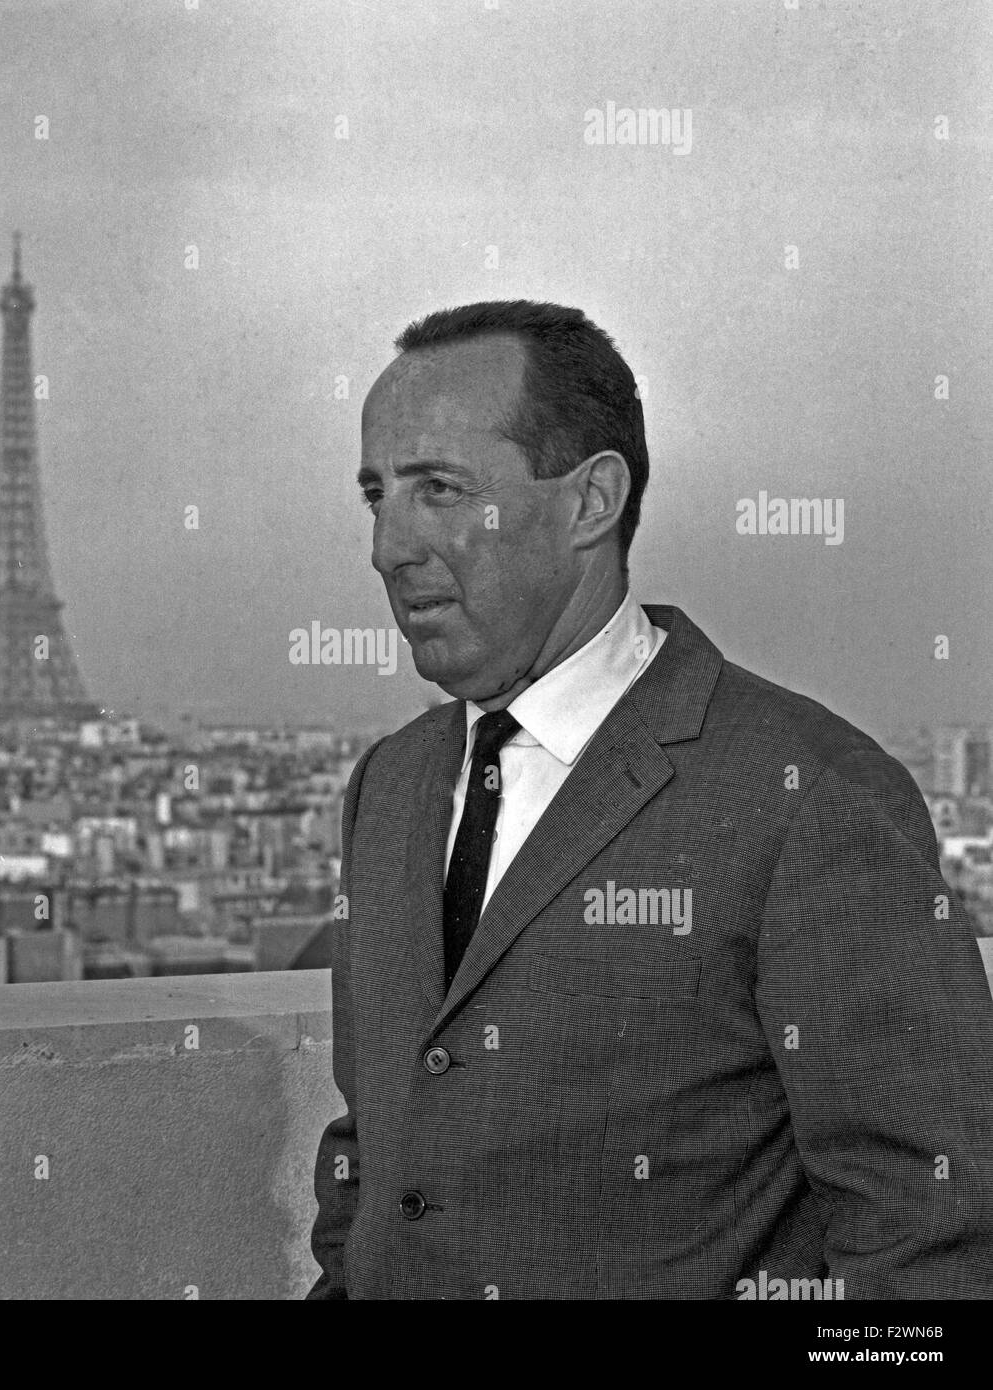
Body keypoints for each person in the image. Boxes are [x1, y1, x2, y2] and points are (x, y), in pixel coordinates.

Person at [307, 300, 993, 1299]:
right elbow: (375, 1145)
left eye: (439, 490)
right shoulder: (392, 785)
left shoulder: (808, 798)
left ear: (589, 503)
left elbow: (936, 1235)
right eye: (376, 494)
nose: (385, 545)